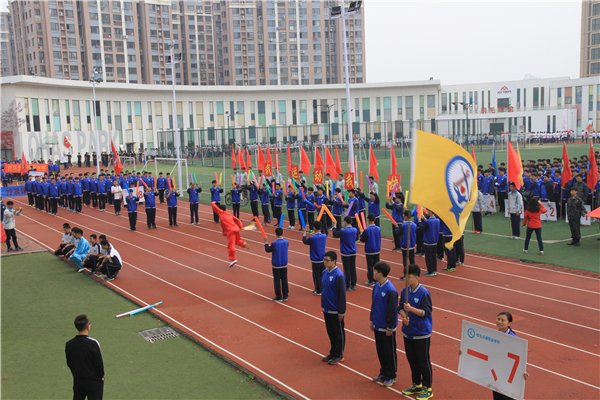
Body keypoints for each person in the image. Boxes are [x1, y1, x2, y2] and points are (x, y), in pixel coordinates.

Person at [400, 264, 434, 400]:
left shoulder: (424, 293)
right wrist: (404, 316)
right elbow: (399, 308)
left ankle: (427, 388)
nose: (407, 279)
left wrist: (411, 309)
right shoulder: (405, 291)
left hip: (421, 333)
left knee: (423, 361)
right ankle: (416, 384)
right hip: (408, 331)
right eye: (405, 277)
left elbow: (426, 312)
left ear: (416, 277)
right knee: (412, 360)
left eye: (409, 277)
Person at [369, 261, 399, 387]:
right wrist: (372, 319)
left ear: (381, 273)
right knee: (380, 351)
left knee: (389, 352)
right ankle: (383, 372)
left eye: (375, 271)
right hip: (378, 324)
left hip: (387, 327)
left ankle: (391, 375)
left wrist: (390, 327)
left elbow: (392, 310)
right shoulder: (376, 286)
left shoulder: (390, 290)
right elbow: (374, 304)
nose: (373, 273)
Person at [65, 314, 104, 400]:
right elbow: (99, 364)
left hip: (78, 380)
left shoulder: (69, 344)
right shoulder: (93, 343)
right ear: (87, 326)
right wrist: (100, 377)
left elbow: (69, 362)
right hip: (94, 382)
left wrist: (76, 374)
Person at [491, 311, 529, 400]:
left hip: (508, 376)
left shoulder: (513, 339)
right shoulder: (494, 335)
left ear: (509, 323)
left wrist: (523, 371)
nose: (499, 322)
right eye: (498, 319)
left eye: (503, 320)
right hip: (497, 374)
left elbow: (519, 357)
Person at [321, 250, 347, 365]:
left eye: (327, 260)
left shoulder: (339, 275)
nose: (325, 262)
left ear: (334, 261)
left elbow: (342, 295)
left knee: (338, 333)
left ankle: (339, 354)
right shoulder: (324, 272)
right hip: (327, 308)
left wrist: (341, 311)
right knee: (331, 332)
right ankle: (333, 352)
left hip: (335, 310)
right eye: (324, 260)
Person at [211, 202, 248, 267]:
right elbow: (237, 220)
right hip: (236, 229)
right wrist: (241, 226)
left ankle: (233, 259)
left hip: (231, 231)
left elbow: (214, 207)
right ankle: (243, 243)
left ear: (220, 209)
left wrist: (213, 202)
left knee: (231, 245)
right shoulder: (229, 214)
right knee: (237, 241)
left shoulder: (221, 213)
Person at [264, 227, 289, 302]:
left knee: (277, 280)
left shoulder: (274, 243)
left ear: (276, 234)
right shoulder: (286, 242)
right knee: (284, 279)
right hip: (284, 263)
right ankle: (285, 295)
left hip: (276, 264)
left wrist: (266, 242)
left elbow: (268, 250)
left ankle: (279, 296)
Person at [333, 216, 358, 291]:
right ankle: (353, 284)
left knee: (346, 269)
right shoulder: (355, 230)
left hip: (345, 252)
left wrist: (334, 226)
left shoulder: (343, 231)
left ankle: (347, 285)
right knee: (353, 268)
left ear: (346, 222)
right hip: (353, 252)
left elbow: (335, 234)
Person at [302, 220, 327, 295]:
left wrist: (304, 232)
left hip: (315, 260)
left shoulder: (312, 238)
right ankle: (323, 288)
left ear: (314, 228)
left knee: (316, 275)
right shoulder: (324, 236)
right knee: (323, 274)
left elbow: (305, 241)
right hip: (323, 259)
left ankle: (318, 290)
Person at [360, 213, 381, 286]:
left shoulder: (367, 230)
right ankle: (377, 279)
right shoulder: (378, 229)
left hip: (369, 250)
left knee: (370, 266)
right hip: (377, 250)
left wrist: (361, 234)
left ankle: (371, 280)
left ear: (368, 220)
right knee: (377, 266)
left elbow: (362, 239)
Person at [421, 211, 440, 276]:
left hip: (428, 242)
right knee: (434, 257)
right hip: (435, 241)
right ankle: (434, 270)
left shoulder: (427, 222)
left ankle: (430, 271)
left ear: (431, 212)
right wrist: (425, 219)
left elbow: (421, 228)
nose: (427, 213)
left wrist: (420, 220)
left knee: (428, 257)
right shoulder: (437, 220)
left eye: (428, 211)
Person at [400, 210, 417, 277]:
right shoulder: (414, 225)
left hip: (405, 245)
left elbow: (399, 233)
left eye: (404, 215)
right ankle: (413, 274)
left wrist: (397, 227)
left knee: (405, 261)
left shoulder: (403, 225)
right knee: (412, 260)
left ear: (406, 216)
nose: (403, 216)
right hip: (412, 245)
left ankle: (406, 274)